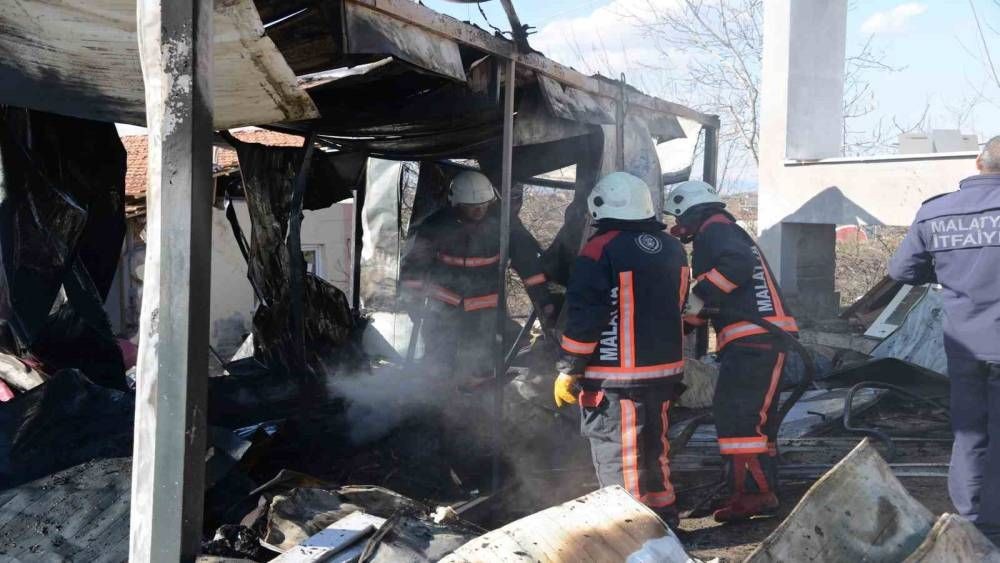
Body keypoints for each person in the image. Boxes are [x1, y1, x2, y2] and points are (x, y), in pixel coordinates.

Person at [554, 172, 689, 528]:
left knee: (621, 456)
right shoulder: (672, 247)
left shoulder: (600, 248)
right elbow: (680, 304)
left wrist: (569, 368)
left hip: (617, 378)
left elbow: (586, 316)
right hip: (665, 373)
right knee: (654, 452)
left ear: (599, 207)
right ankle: (664, 523)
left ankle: (631, 533)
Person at [664, 180, 798, 522]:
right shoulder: (723, 230)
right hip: (760, 337)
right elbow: (715, 299)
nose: (679, 227)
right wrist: (682, 325)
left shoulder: (715, 230)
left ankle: (754, 494)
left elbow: (734, 268)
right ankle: (757, 489)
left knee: (737, 416)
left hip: (755, 339)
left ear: (691, 212)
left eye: (679, 218)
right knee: (753, 420)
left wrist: (696, 297)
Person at [888, 136, 1000, 546]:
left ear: (978, 162)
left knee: (970, 432)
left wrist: (948, 272)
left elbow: (902, 271)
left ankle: (971, 521)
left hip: (964, 342)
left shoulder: (935, 212)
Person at [400, 170, 554, 383]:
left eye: (483, 205)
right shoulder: (434, 226)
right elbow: (413, 269)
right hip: (443, 311)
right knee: (438, 366)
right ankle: (435, 396)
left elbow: (529, 266)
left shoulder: (504, 225)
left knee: (485, 364)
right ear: (456, 203)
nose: (479, 210)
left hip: (486, 312)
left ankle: (479, 394)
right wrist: (413, 306)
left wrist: (543, 301)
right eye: (471, 206)